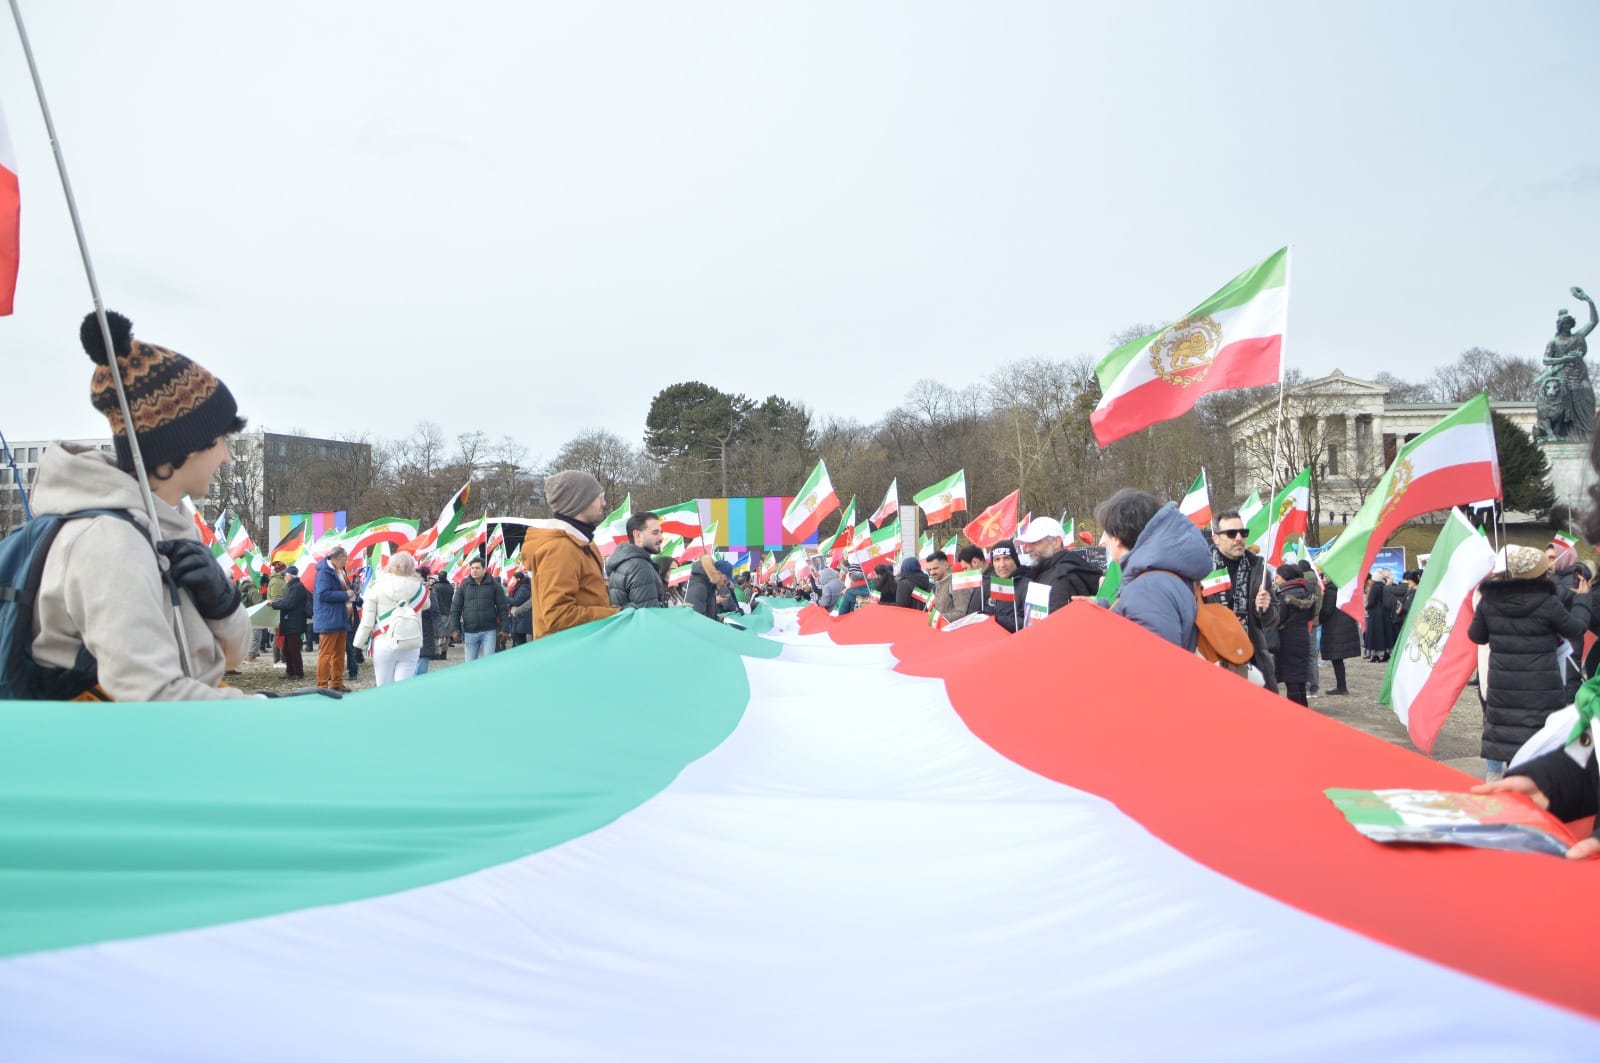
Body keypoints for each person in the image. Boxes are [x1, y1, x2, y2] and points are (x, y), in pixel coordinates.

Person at [24, 312, 254, 702]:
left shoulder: (167, 525)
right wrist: (267, 713)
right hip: (114, 755)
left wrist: (224, 605)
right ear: (183, 445)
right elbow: (150, 695)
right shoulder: (110, 543)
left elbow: (230, 658)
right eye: (220, 441)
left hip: (168, 745)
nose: (227, 458)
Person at [1468, 545, 1591, 780]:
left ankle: (1506, 790)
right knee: (1540, 745)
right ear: (1541, 574)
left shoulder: (1489, 601)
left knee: (1508, 741)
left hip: (1504, 689)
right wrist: (1582, 600)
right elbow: (1576, 628)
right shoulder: (1548, 603)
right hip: (1540, 688)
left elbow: (1476, 636)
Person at [1095, 490, 1212, 650]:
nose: (1105, 542)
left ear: (1117, 538)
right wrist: (1102, 608)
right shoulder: (1157, 576)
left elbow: (1156, 661)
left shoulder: (1147, 589)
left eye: (1106, 535)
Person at [520, 470, 619, 639]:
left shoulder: (579, 544)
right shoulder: (560, 548)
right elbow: (558, 615)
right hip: (567, 652)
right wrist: (615, 615)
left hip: (581, 645)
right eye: (599, 497)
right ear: (581, 501)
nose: (604, 503)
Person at [1204, 510, 1278, 686]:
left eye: (1243, 533)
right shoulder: (1203, 568)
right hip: (1214, 659)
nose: (1238, 538)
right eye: (1231, 533)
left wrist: (1266, 609)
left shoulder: (1258, 568)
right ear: (1216, 538)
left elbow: (1272, 620)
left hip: (1252, 659)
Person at [352, 551, 426, 686]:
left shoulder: (376, 587)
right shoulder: (420, 588)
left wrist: (358, 645)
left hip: (383, 641)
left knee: (383, 686)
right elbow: (427, 605)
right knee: (404, 688)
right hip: (410, 641)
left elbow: (367, 622)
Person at [1014, 516, 1100, 620]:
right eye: (1026, 544)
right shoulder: (1047, 571)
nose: (1027, 549)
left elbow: (1056, 626)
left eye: (1035, 542)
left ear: (1056, 542)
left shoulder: (1061, 577)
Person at [1272, 563, 1318, 706]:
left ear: (1286, 577)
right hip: (1303, 637)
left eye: (1278, 577)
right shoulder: (1308, 593)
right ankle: (1303, 708)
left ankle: (1295, 712)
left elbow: (1278, 619)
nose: (1276, 580)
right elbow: (1311, 615)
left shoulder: (1284, 595)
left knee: (1291, 679)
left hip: (1287, 640)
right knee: (1299, 679)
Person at [313, 546, 356, 691]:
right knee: (326, 653)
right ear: (338, 557)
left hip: (341, 617)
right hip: (329, 618)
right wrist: (345, 595)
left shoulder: (339, 571)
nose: (347, 560)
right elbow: (323, 594)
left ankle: (337, 683)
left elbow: (344, 590)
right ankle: (322, 684)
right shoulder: (324, 573)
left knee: (339, 653)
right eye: (346, 557)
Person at [449, 558, 509, 660]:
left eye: (477, 568)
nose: (474, 571)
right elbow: (455, 610)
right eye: (472, 568)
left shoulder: (495, 586)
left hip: (489, 631)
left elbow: (502, 609)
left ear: (484, 569)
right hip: (469, 632)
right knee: (470, 665)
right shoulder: (464, 587)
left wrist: (504, 629)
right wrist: (455, 629)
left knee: (488, 664)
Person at [606, 512, 669, 609]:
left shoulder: (625, 562)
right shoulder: (639, 567)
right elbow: (650, 615)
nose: (661, 537)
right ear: (637, 535)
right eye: (655, 533)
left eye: (661, 533)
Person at [1317, 578, 1361, 696]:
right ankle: (1341, 686)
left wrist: (1318, 620)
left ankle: (1341, 687)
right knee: (1337, 658)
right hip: (1342, 627)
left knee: (1336, 658)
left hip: (1334, 628)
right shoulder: (1343, 589)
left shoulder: (1331, 591)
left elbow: (1327, 610)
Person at [272, 565, 312, 680]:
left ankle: (298, 673)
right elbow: (287, 602)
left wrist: (273, 604)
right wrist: (279, 602)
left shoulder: (296, 587)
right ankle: (290, 671)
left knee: (294, 650)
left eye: (285, 575)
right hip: (291, 623)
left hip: (294, 623)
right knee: (287, 649)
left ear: (289, 576)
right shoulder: (294, 586)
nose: (284, 577)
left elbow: (288, 604)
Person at [984, 540, 1027, 633]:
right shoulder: (995, 584)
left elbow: (1028, 623)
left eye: (1006, 558)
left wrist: (996, 620)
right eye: (997, 560)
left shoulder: (1027, 585)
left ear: (1015, 560)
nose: (1002, 565)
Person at [924, 551, 978, 621]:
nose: (932, 572)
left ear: (946, 565)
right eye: (929, 570)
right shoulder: (937, 584)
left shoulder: (956, 583)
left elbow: (961, 613)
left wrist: (937, 617)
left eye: (935, 568)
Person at [265, 561, 289, 664]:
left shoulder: (277, 580)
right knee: (279, 635)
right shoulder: (277, 581)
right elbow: (275, 599)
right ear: (281, 570)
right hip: (279, 612)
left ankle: (280, 658)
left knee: (279, 635)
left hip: (279, 611)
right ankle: (280, 659)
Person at [506, 571, 534, 646]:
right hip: (519, 619)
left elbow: (517, 601)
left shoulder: (523, 588)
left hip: (522, 619)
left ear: (518, 579)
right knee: (518, 641)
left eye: (514, 579)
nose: (512, 581)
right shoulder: (521, 588)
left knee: (520, 642)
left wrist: (506, 598)